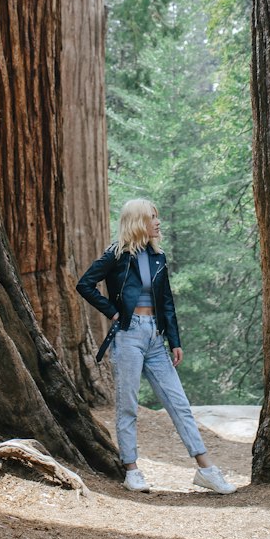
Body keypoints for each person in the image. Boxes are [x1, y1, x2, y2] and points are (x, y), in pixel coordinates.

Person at [76, 197, 237, 495]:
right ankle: (132, 470)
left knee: (179, 404)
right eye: (152, 216)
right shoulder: (116, 254)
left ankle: (206, 470)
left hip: (156, 338)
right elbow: (84, 284)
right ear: (137, 220)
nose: (157, 221)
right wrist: (112, 311)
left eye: (157, 216)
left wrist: (174, 340)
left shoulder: (157, 257)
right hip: (128, 335)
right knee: (128, 406)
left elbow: (167, 302)